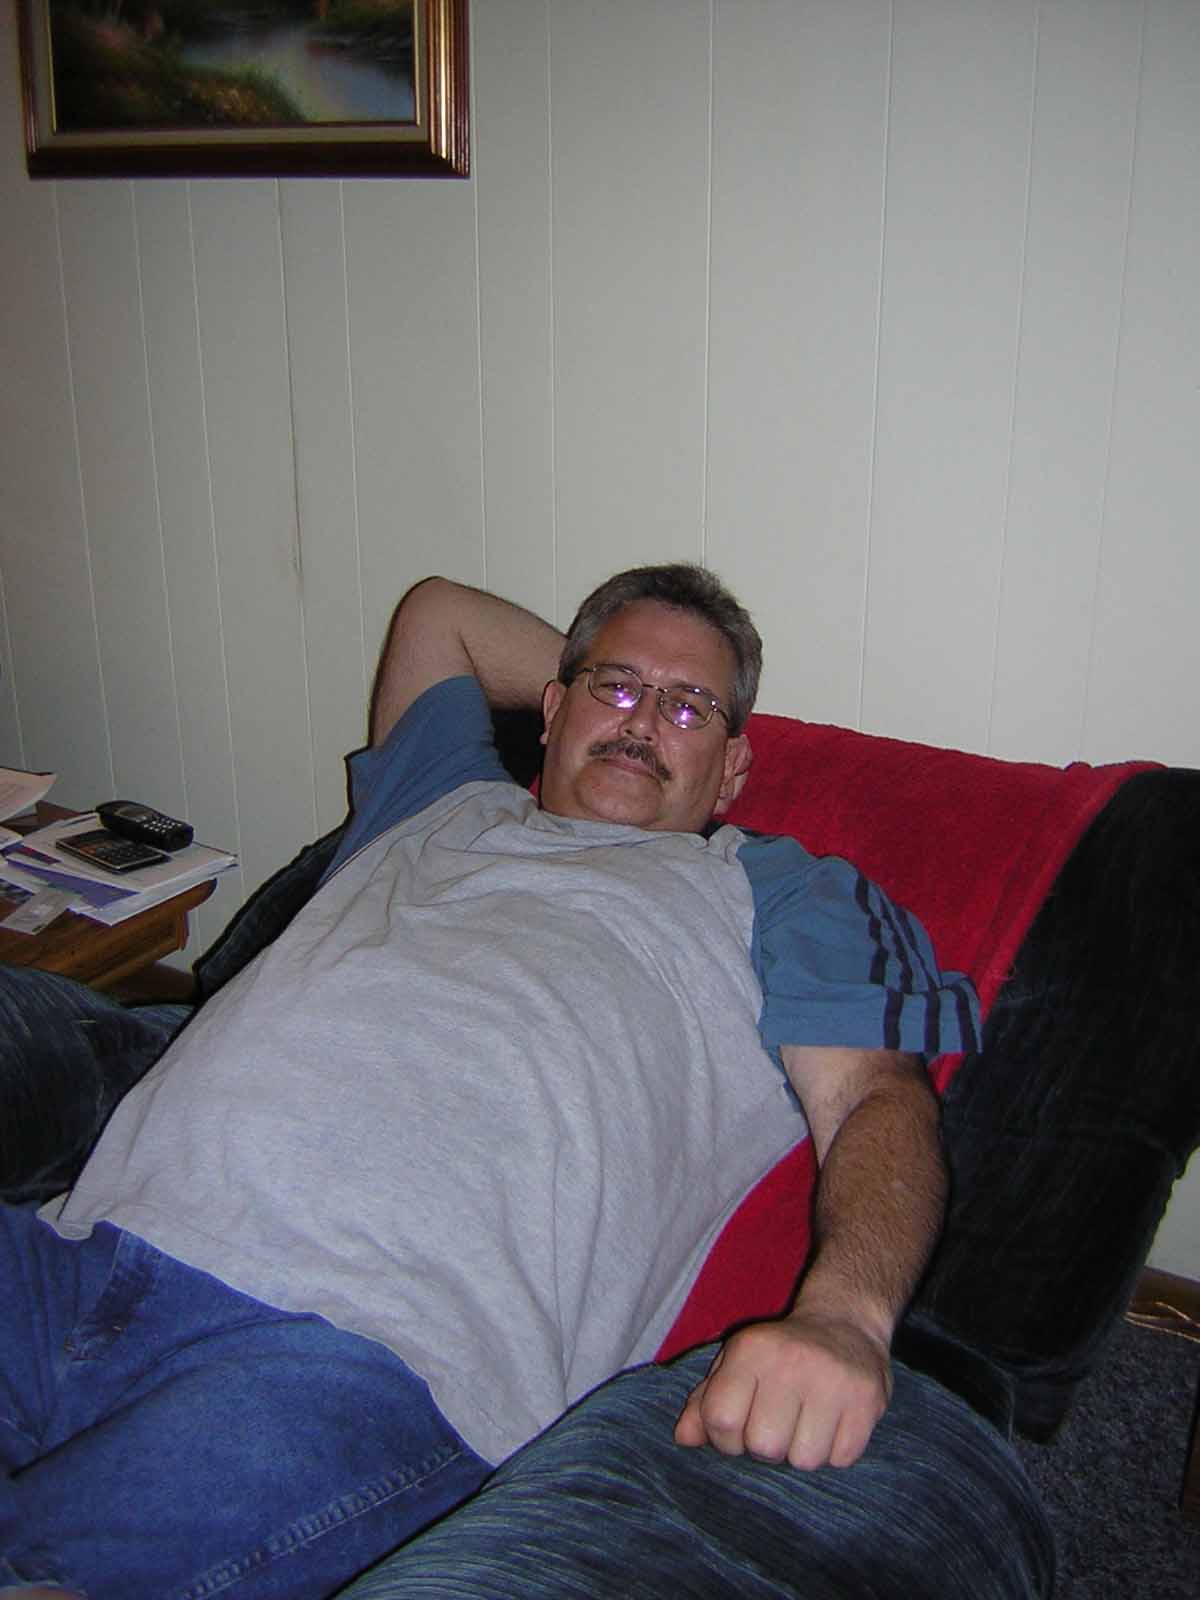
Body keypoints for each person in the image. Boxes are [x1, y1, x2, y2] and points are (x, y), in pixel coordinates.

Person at [0, 564, 995, 1599]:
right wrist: (653, 696)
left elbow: (876, 1099)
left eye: (686, 709)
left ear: (736, 767)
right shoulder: (437, 801)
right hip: (81, 1248)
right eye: (616, 688)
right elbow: (441, 613)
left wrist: (846, 1318)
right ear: (549, 709)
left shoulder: (776, 889)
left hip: (366, 1353)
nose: (641, 722)